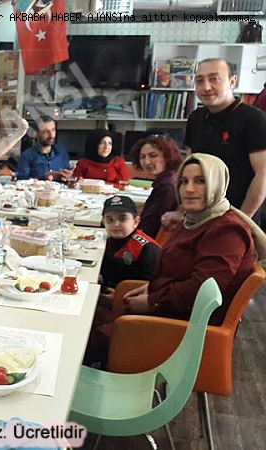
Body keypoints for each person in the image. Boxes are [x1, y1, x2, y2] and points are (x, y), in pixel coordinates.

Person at [86, 153, 266, 365]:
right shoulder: (194, 220)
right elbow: (178, 273)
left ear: (217, 183)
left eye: (200, 181)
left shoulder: (226, 231)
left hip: (186, 329)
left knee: (84, 338)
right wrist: (151, 288)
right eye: (183, 181)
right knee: (86, 320)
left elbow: (204, 289)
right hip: (170, 311)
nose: (189, 189)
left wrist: (153, 300)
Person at [181, 58, 266, 226]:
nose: (206, 87)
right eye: (200, 81)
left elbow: (263, 175)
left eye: (214, 79)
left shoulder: (254, 119)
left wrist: (242, 220)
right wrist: (181, 211)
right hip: (201, 216)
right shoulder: (196, 118)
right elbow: (188, 168)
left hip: (241, 216)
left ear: (232, 82)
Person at [97, 195, 161, 307]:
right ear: (103, 222)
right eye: (109, 219)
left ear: (135, 222)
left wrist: (119, 297)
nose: (116, 224)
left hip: (130, 304)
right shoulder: (107, 241)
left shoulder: (147, 249)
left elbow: (150, 286)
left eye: (122, 219)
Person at [128, 135, 183, 237]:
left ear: (167, 157)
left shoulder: (166, 186)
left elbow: (148, 227)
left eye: (153, 156)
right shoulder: (168, 179)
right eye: (142, 157)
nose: (146, 162)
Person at [16, 115, 73, 181]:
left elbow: (67, 175)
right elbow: (21, 180)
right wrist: (44, 176)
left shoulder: (62, 152)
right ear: (36, 134)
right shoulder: (26, 156)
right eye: (46, 131)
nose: (51, 135)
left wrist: (68, 176)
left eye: (53, 130)